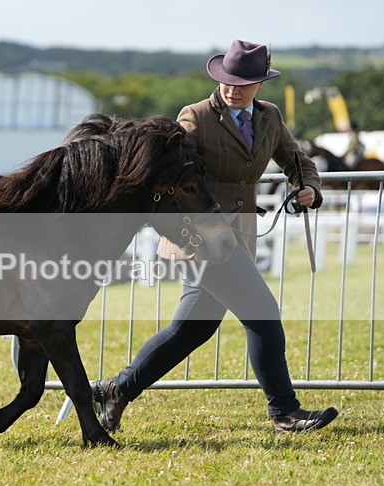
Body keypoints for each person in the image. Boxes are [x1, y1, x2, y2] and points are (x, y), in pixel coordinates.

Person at [93, 40, 338, 434]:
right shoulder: (196, 116)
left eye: (242, 82)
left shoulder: (270, 118)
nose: (232, 88)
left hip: (238, 238)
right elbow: (170, 164)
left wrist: (308, 186)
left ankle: (115, 390)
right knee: (263, 314)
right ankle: (285, 412)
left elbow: (299, 161)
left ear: (261, 82)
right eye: (227, 80)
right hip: (200, 237)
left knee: (192, 329)